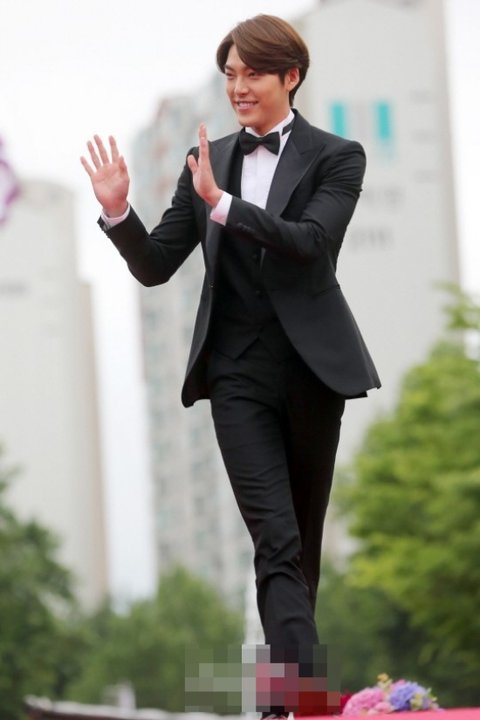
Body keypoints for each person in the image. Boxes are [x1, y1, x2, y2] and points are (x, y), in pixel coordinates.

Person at [81, 14, 380, 717]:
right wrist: (120, 213)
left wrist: (224, 205)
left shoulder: (339, 156)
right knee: (274, 537)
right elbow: (157, 265)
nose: (239, 88)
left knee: (300, 546)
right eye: (230, 76)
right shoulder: (204, 160)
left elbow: (310, 242)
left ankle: (284, 695)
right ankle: (301, 704)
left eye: (253, 74)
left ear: (291, 77)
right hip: (236, 375)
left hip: (312, 372)